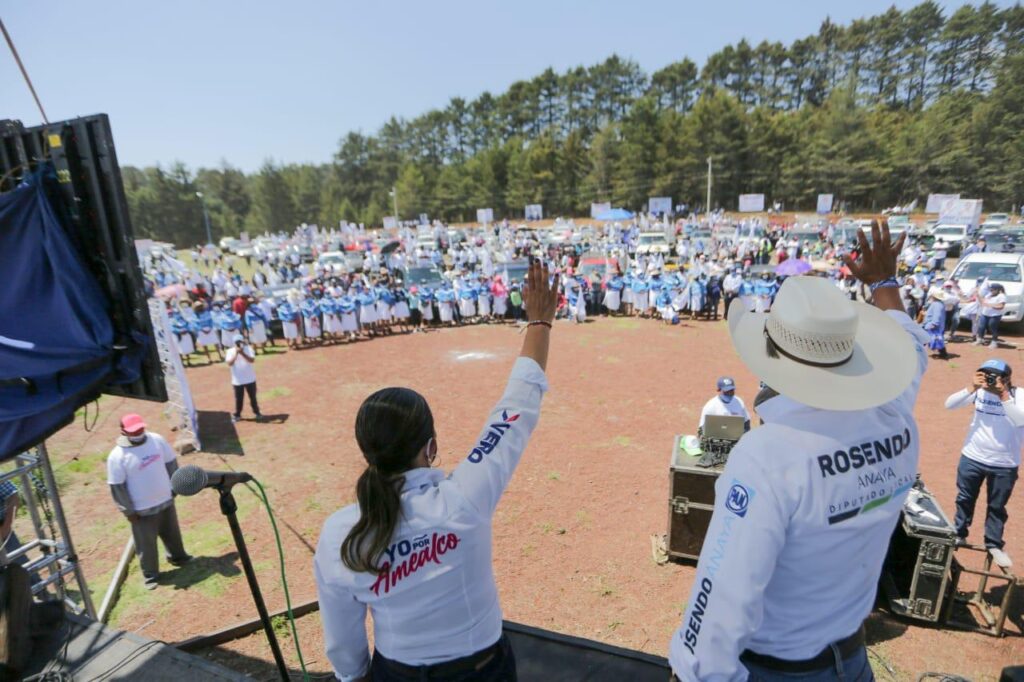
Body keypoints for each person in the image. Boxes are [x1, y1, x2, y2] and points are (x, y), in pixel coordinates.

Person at [669, 222, 929, 681]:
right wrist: (885, 282)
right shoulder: (895, 414)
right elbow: (910, 341)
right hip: (850, 658)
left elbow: (722, 601)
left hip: (781, 668)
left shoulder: (767, 457)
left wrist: (691, 674)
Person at [314, 261, 559, 682]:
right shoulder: (464, 497)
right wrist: (539, 321)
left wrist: (355, 677)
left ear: (366, 452)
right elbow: (514, 411)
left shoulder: (340, 533)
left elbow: (343, 644)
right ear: (431, 447)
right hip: (483, 671)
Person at [944, 359, 1021, 569]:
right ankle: (959, 533)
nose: (989, 378)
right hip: (972, 457)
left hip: (1004, 463)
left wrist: (1003, 395)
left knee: (997, 506)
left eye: (994, 375)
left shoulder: (1019, 396)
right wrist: (971, 386)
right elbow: (949, 404)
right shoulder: (977, 392)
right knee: (964, 498)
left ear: (1006, 378)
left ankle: (994, 544)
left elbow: (1020, 420)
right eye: (985, 373)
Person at [106, 414, 192, 590]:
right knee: (146, 544)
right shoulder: (117, 456)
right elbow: (117, 487)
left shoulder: (156, 440)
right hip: (141, 510)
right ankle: (151, 575)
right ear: (124, 432)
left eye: (140, 429)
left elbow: (171, 464)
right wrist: (128, 511)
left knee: (172, 533)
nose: (138, 432)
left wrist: (175, 487)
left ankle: (179, 557)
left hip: (165, 499)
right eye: (134, 431)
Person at [226, 333, 262, 423]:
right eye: (237, 342)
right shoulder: (230, 351)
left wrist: (242, 353)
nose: (239, 344)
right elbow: (229, 363)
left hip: (250, 379)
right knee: (239, 399)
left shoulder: (248, 349)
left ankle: (257, 412)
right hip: (237, 380)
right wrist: (236, 353)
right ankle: (237, 415)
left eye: (240, 342)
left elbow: (252, 360)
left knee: (253, 397)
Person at [975, 282, 1006, 349]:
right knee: (981, 326)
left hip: (995, 315)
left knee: (992, 327)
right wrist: (978, 295)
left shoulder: (1001, 296)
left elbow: (1001, 306)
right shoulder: (989, 295)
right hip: (985, 313)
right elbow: (983, 302)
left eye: (992, 290)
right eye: (990, 289)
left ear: (997, 290)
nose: (991, 291)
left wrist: (991, 305)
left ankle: (994, 342)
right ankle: (980, 339)